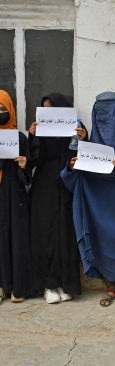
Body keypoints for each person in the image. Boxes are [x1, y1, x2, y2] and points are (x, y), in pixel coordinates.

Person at [61, 91, 115, 307]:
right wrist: (72, 166)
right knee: (101, 239)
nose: (104, 118)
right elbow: (79, 168)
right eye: (99, 113)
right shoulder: (91, 140)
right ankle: (110, 287)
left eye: (109, 112)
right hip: (99, 200)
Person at [28, 92, 88, 304]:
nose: (50, 114)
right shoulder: (40, 131)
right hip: (44, 187)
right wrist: (34, 136)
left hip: (67, 184)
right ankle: (49, 285)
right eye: (46, 110)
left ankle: (67, 283)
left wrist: (83, 139)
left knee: (66, 234)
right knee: (47, 235)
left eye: (53, 109)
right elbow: (33, 160)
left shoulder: (75, 129)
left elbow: (83, 157)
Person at [0, 90, 32, 304]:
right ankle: (2, 286)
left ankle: (18, 287)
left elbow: (27, 176)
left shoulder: (19, 138)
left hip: (15, 195)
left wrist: (23, 165)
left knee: (17, 239)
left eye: (4, 109)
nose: (1, 112)